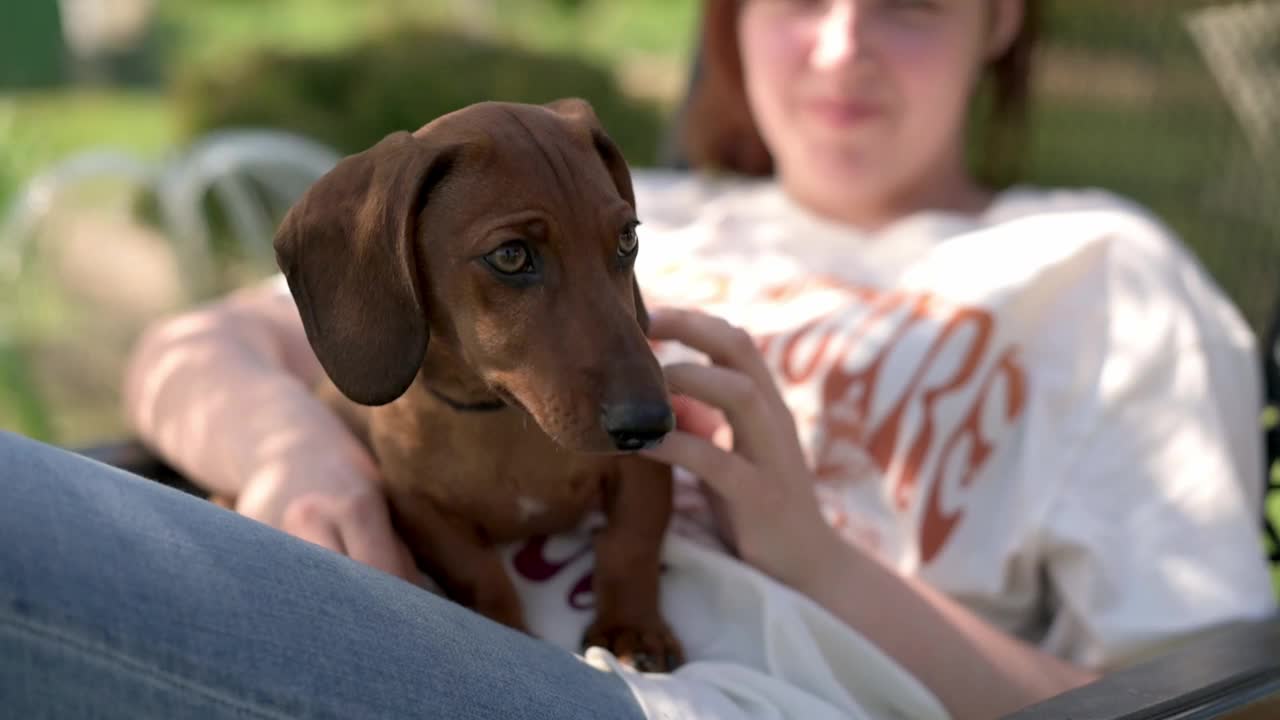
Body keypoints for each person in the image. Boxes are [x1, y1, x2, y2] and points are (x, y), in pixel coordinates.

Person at [4, 1, 1276, 718]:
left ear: (998, 18)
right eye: (796, 0)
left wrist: (814, 556)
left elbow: (1212, 703)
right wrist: (289, 455)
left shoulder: (1097, 270)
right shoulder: (588, 185)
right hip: (390, 622)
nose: (839, 45)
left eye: (906, 2)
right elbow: (201, 341)